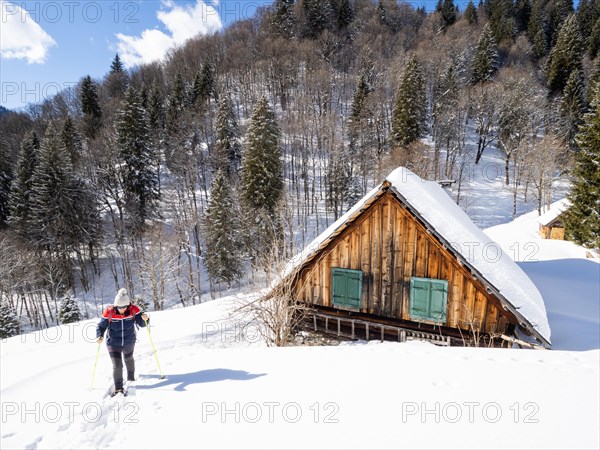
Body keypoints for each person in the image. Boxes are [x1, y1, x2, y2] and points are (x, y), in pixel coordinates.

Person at [96, 288, 149, 395]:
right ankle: (118, 388)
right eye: (120, 307)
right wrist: (99, 336)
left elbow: (142, 325)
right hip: (113, 342)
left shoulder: (134, 310)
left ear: (128, 305)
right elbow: (101, 326)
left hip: (129, 340)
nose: (122, 309)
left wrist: (146, 319)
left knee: (129, 359)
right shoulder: (109, 311)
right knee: (117, 365)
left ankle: (130, 378)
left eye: (125, 307)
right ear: (116, 306)